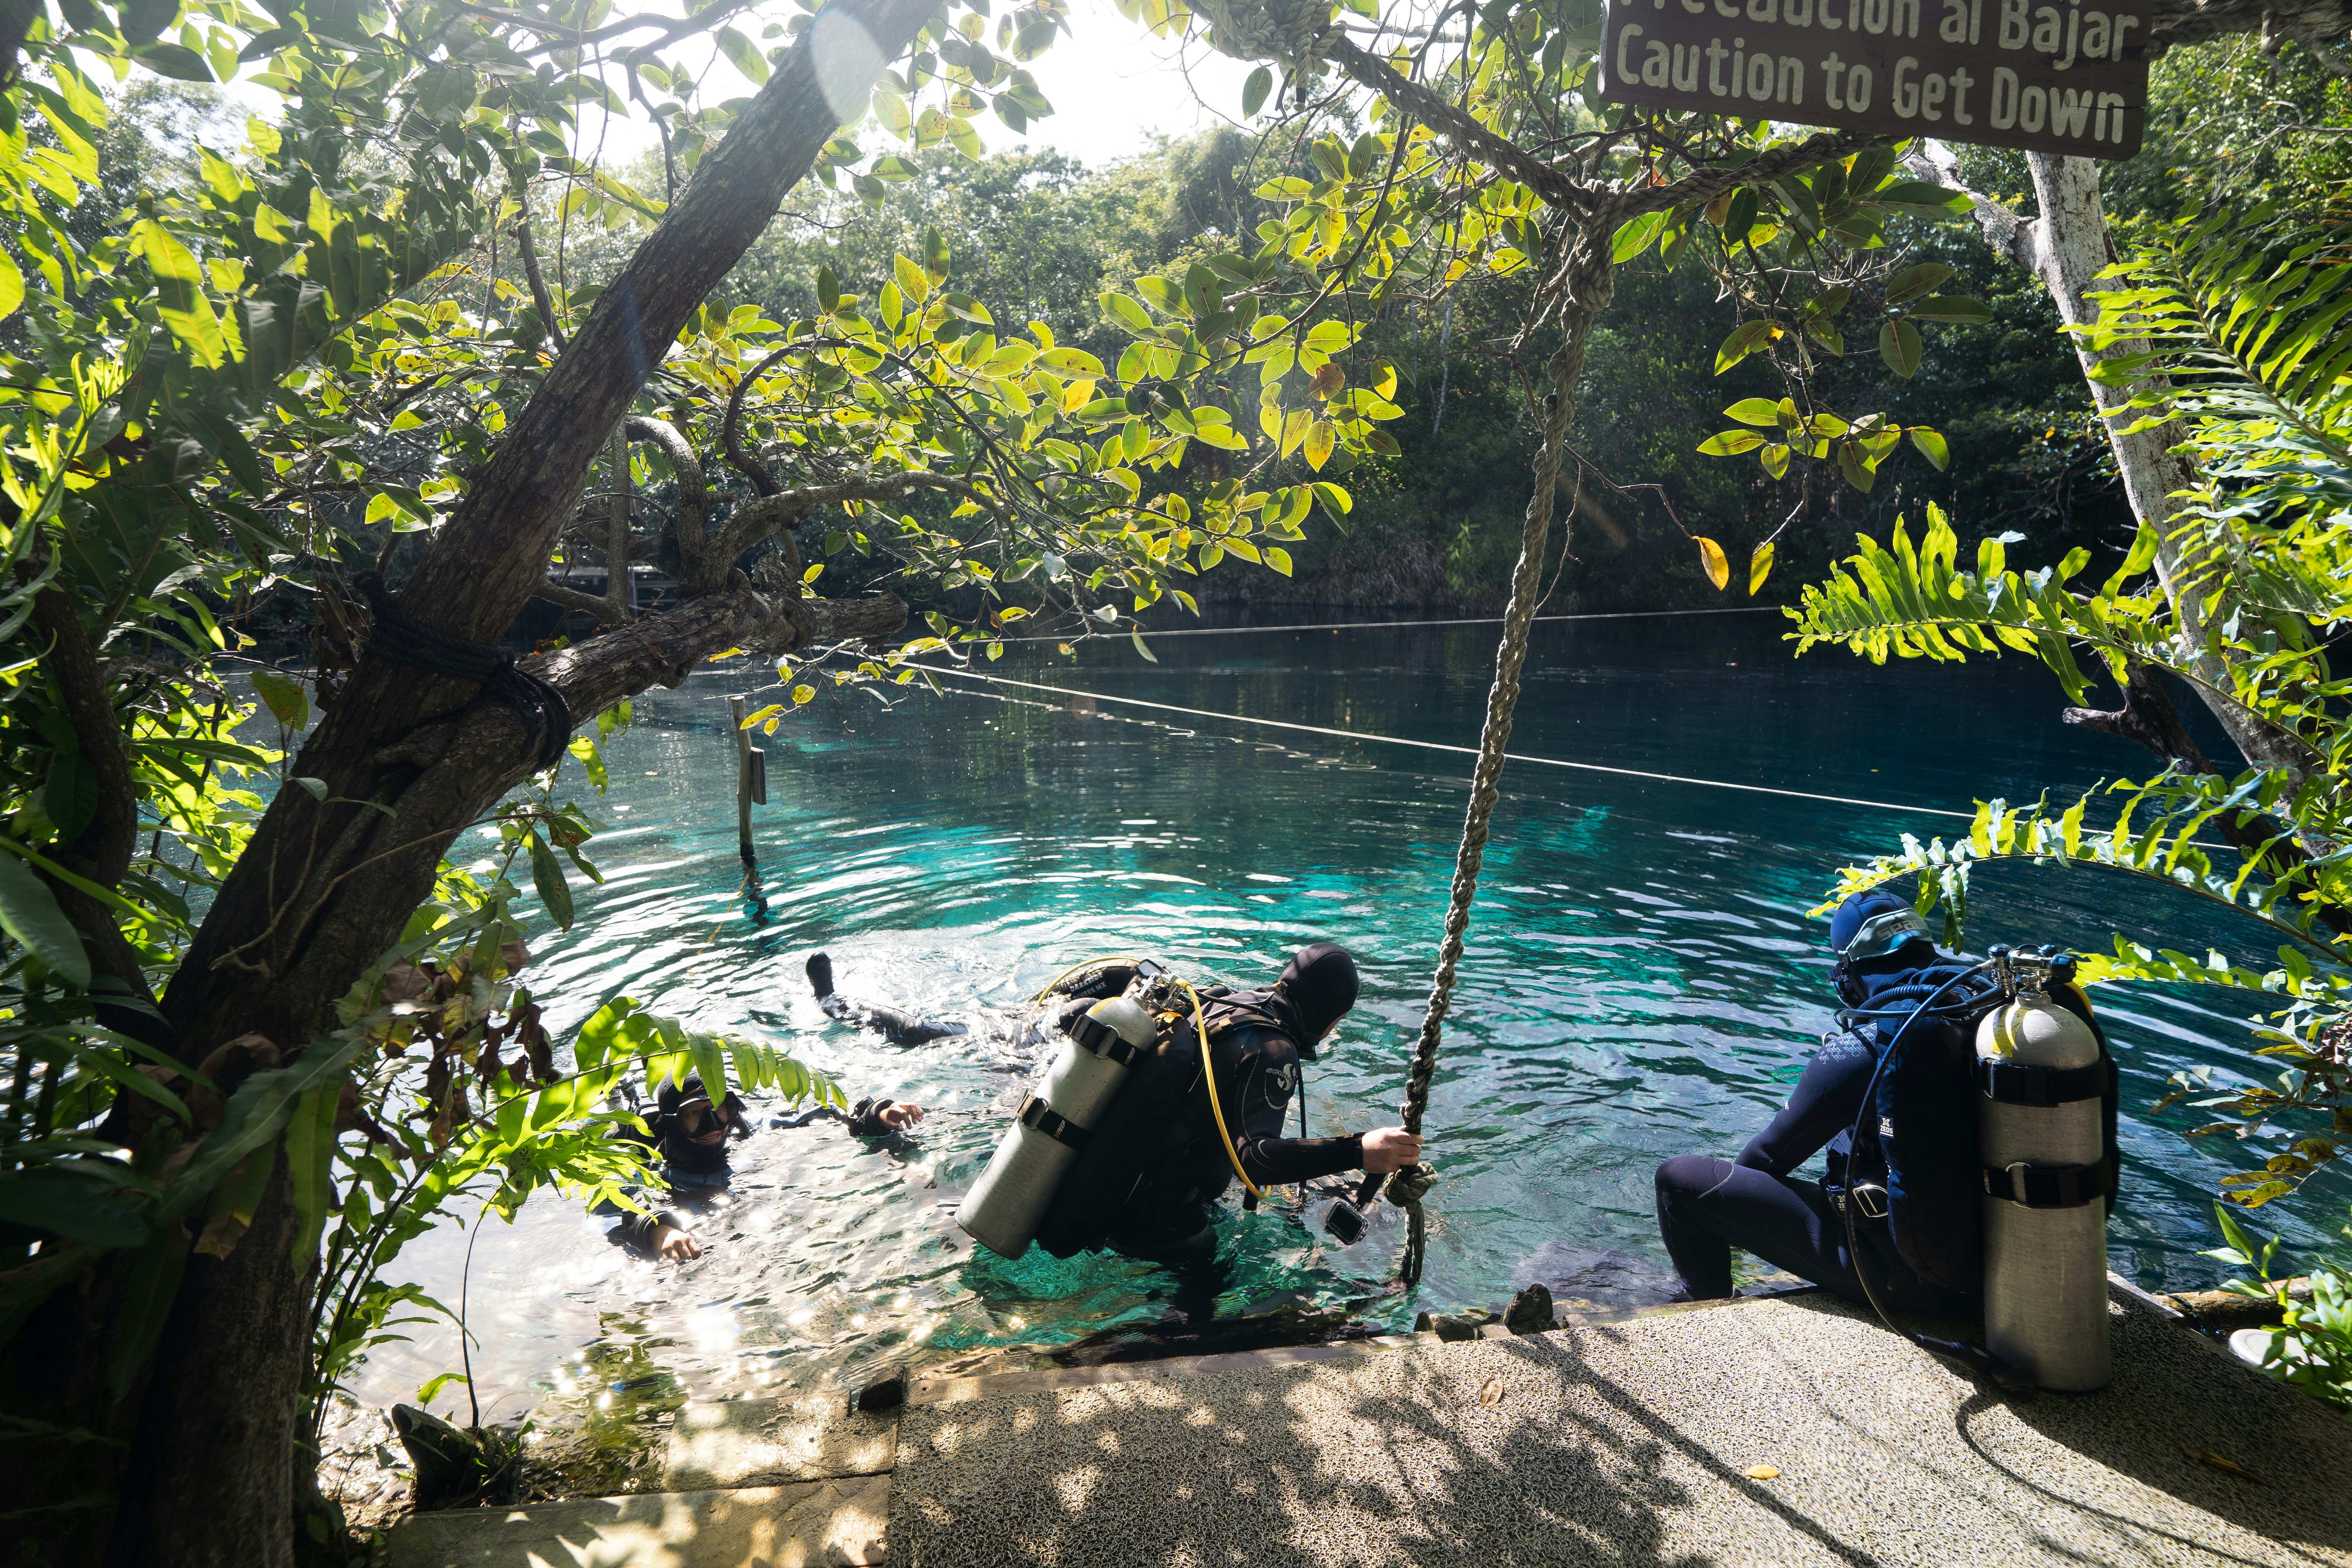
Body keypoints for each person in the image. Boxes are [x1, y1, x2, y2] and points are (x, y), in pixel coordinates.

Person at [1651, 889, 1984, 1310]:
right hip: (2019, 1270)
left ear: (1847, 971)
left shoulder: (1867, 1047)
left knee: (1680, 1181)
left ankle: (1702, 1305)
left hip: (1913, 1279)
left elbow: (1766, 1159)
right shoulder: (1991, 1006)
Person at [1100, 942, 1421, 1263]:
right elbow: (1255, 1161)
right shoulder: (1276, 1051)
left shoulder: (1226, 1003)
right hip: (1154, 1222)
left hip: (1117, 1180)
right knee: (1223, 1289)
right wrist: (1359, 1150)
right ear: (1332, 1016)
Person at [600, 1071, 924, 1260]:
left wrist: (878, 1117)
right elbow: (606, 1211)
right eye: (695, 1114)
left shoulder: (746, 1130)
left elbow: (817, 1117)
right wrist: (656, 1230)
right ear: (673, 1122)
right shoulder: (643, 1161)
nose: (714, 1126)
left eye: (719, 1109)